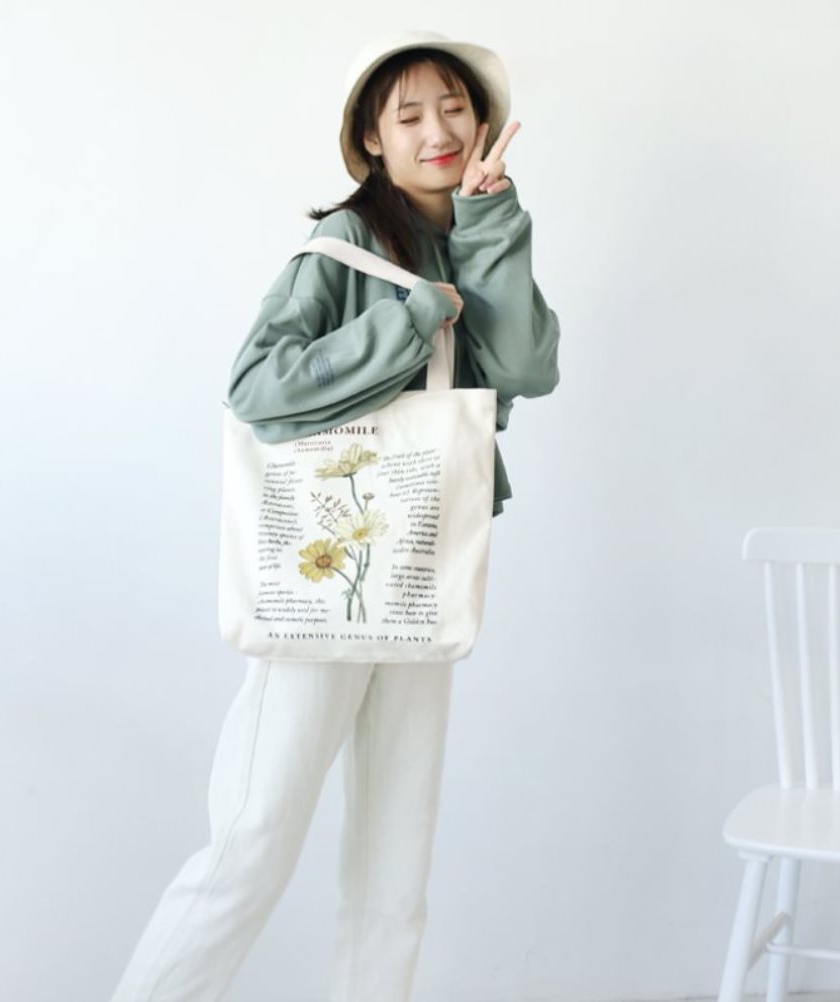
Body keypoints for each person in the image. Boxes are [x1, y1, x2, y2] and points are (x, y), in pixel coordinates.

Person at [111, 29, 560, 1002]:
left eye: (455, 109)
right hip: (324, 570)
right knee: (254, 839)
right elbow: (256, 385)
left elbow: (527, 368)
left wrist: (491, 224)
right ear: (370, 139)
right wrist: (408, 318)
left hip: (421, 564)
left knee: (396, 868)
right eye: (410, 115)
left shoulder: (478, 230)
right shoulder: (343, 245)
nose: (438, 131)